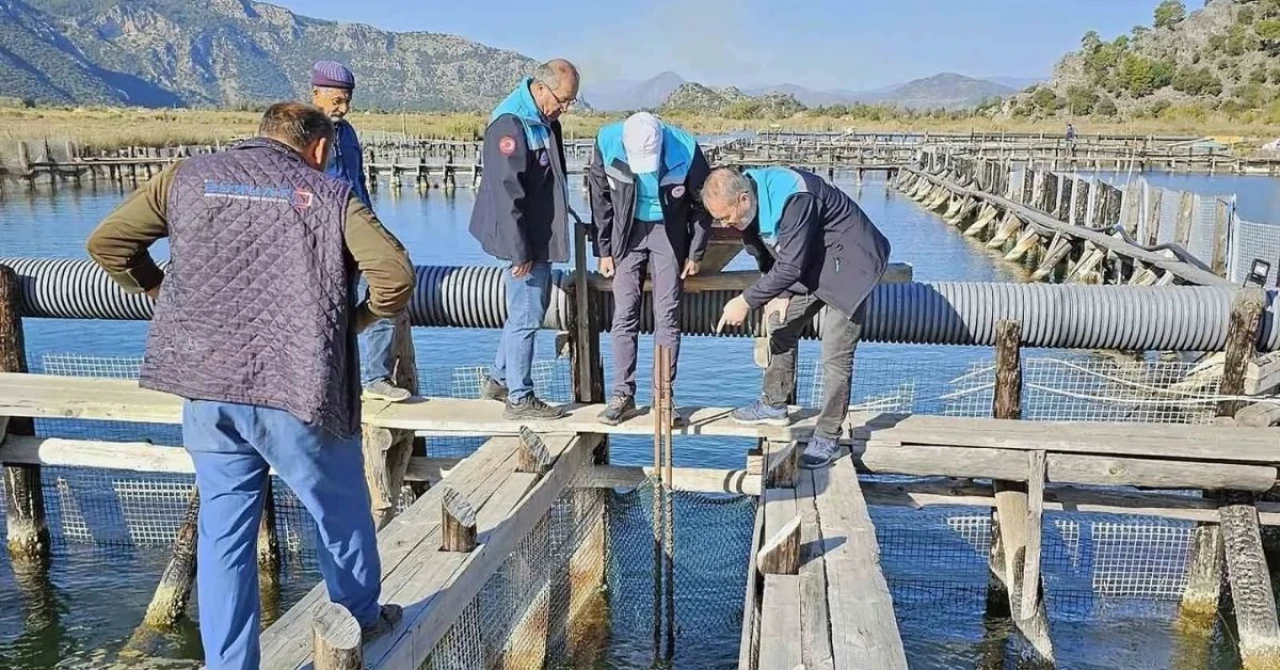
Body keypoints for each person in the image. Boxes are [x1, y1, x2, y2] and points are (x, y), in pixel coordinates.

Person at [86, 102, 414, 669]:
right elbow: (395, 275)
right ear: (318, 148)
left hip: (208, 385)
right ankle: (360, 617)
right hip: (297, 385)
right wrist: (355, 322)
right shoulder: (330, 195)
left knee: (224, 537)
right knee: (339, 512)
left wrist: (161, 291)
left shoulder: (184, 177)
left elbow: (109, 244)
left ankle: (229, 663)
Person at [702, 166, 891, 469]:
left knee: (835, 356)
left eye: (726, 217)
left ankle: (828, 435)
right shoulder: (749, 206)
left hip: (851, 264)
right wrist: (779, 292)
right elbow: (767, 254)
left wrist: (746, 300)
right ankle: (774, 404)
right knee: (780, 322)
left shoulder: (795, 198)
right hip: (812, 262)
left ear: (743, 199)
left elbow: (790, 266)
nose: (725, 224)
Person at [470, 59, 580, 420]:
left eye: (571, 102)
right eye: (563, 100)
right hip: (521, 238)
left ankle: (500, 379)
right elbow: (506, 195)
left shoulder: (545, 120)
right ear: (541, 88)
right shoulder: (511, 124)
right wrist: (520, 253)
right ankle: (519, 397)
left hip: (537, 233)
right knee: (527, 316)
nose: (565, 109)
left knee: (528, 308)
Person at [587, 112, 712, 425]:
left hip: (668, 232)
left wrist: (695, 252)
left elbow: (703, 204)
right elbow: (600, 200)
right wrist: (604, 250)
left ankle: (663, 399)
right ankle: (622, 395)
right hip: (626, 232)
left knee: (667, 314)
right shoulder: (606, 141)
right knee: (623, 313)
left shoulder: (686, 148)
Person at [311, 59, 410, 402]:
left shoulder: (348, 132)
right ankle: (327, 381)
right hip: (325, 236)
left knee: (384, 294)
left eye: (347, 100)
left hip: (361, 229)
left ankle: (376, 378)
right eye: (337, 100)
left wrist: (375, 226)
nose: (343, 108)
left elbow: (359, 181)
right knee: (329, 309)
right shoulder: (304, 133)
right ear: (316, 94)